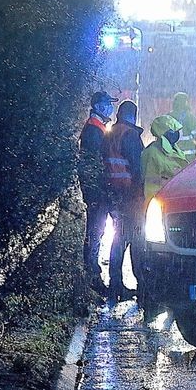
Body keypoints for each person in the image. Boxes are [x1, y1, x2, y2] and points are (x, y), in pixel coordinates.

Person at [103, 100, 144, 301]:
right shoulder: (130, 136)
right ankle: (142, 285)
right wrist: (140, 194)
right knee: (135, 239)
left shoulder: (110, 133)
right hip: (130, 194)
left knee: (119, 239)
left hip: (113, 192)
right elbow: (138, 168)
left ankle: (115, 283)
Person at [78, 91, 114, 293]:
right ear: (98, 106)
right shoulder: (94, 129)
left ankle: (92, 274)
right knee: (95, 230)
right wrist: (98, 189)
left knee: (96, 230)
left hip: (96, 189)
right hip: (95, 191)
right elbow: (93, 163)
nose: (110, 107)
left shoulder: (97, 127)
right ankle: (92, 276)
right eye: (107, 104)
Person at [143, 115, 192, 202]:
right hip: (162, 200)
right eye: (174, 131)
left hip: (174, 198)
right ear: (165, 133)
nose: (178, 134)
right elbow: (150, 185)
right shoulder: (153, 152)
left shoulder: (175, 150)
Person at [169, 92, 196, 160]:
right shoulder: (190, 117)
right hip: (188, 155)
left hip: (173, 154)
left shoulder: (169, 117)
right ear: (186, 102)